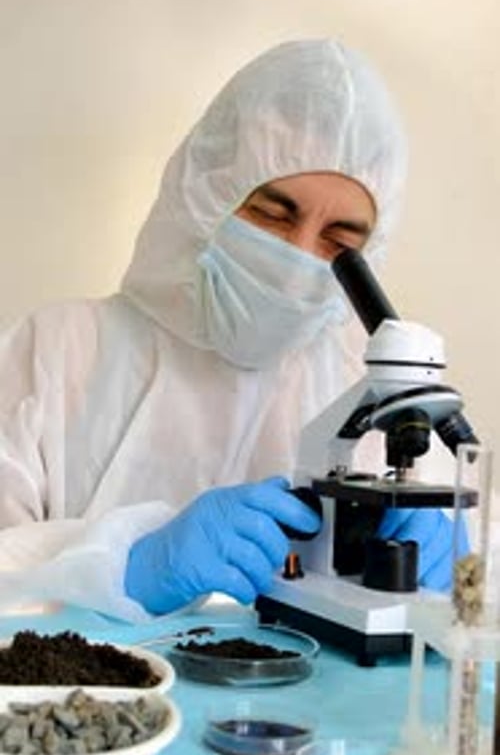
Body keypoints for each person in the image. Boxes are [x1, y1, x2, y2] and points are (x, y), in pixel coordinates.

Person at [0, 39, 462, 623]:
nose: (298, 257)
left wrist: (465, 575)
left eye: (340, 242)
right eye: (272, 213)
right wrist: (122, 567)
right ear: (203, 194)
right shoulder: (54, 353)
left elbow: (474, 602)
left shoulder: (367, 385)